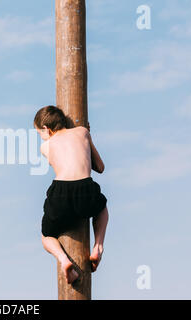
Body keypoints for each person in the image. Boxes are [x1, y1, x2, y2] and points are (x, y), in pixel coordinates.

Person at [34, 105, 109, 284]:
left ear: (46, 129)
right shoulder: (83, 132)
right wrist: (86, 138)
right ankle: (98, 247)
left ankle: (64, 260)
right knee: (101, 209)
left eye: (39, 133)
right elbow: (100, 167)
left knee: (47, 235)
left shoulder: (45, 146)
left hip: (61, 191)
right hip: (86, 188)